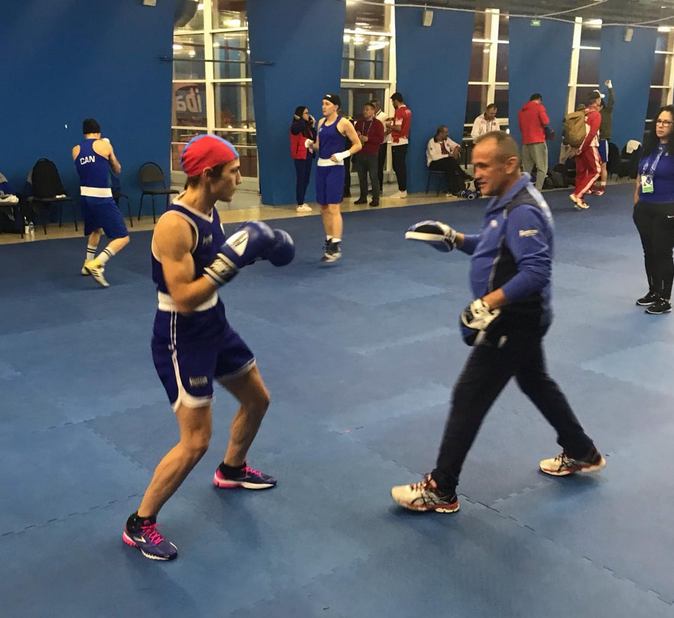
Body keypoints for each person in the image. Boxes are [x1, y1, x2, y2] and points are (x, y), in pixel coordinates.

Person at [391, 131, 606, 513]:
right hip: (520, 319)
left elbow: (536, 270)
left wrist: (485, 304)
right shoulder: (506, 202)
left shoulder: (523, 208)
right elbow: (495, 246)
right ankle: (581, 450)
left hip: (513, 322)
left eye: (483, 165)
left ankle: (441, 488)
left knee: (468, 396)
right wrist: (456, 238)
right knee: (536, 382)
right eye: (474, 165)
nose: (475, 173)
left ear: (510, 165)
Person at [123, 135, 295, 561]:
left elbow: (213, 263)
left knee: (258, 399)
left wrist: (252, 251)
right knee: (196, 440)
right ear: (208, 175)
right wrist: (231, 263)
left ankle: (232, 469)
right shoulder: (173, 225)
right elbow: (183, 295)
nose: (240, 177)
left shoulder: (211, 209)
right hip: (182, 334)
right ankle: (140, 523)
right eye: (233, 172)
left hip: (215, 323)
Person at [72, 118, 129, 288]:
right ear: (99, 131)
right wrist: (109, 150)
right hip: (101, 197)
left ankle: (86, 265)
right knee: (123, 237)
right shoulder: (105, 145)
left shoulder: (76, 149)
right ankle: (97, 263)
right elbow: (116, 169)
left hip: (84, 197)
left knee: (96, 229)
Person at [305, 93, 362, 263]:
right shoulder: (321, 123)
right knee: (322, 207)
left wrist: (342, 154)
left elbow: (358, 144)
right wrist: (310, 145)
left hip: (335, 169)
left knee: (333, 207)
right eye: (322, 103)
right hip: (321, 167)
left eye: (327, 104)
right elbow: (318, 146)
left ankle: (336, 245)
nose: (323, 106)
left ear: (335, 106)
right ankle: (329, 240)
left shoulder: (343, 123)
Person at [633, 105, 674, 315]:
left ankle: (665, 297)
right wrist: (637, 199)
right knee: (649, 251)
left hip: (666, 207)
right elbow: (641, 175)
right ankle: (654, 291)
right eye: (659, 121)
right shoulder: (649, 148)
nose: (661, 126)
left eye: (666, 122)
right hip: (645, 207)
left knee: (662, 252)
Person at [570, 92, 602, 210]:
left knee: (581, 173)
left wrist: (578, 148)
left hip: (579, 145)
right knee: (597, 170)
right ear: (597, 100)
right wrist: (583, 148)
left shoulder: (583, 113)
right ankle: (577, 194)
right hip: (589, 146)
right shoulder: (596, 115)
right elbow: (591, 133)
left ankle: (579, 200)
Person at [426, 125, 471, 197]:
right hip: (434, 163)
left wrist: (455, 151)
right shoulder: (431, 142)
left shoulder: (447, 140)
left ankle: (454, 190)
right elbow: (434, 157)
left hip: (446, 162)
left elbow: (457, 146)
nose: (448, 134)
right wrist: (448, 156)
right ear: (440, 133)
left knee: (450, 167)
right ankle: (463, 175)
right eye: (446, 132)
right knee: (450, 161)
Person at [518, 93, 550, 192]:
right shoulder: (539, 107)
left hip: (525, 141)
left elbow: (521, 127)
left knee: (526, 170)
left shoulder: (521, 111)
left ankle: (523, 190)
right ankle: (538, 190)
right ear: (539, 99)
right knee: (542, 168)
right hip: (538, 140)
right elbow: (546, 121)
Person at [354, 102, 385, 207]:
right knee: (361, 177)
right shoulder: (359, 123)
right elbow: (353, 134)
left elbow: (380, 139)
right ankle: (363, 196)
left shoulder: (378, 124)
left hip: (372, 153)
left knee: (373, 176)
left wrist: (368, 139)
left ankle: (375, 198)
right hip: (360, 153)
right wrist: (357, 134)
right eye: (364, 109)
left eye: (367, 109)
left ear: (373, 111)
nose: (365, 112)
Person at [290, 106, 315, 213]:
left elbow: (314, 138)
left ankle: (303, 200)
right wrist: (300, 119)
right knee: (301, 179)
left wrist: (312, 126)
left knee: (306, 179)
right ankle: (300, 203)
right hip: (300, 156)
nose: (308, 115)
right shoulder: (295, 126)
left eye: (308, 113)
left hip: (308, 155)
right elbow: (299, 127)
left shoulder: (307, 128)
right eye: (305, 113)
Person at [387, 92, 412, 198]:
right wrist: (392, 120)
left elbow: (398, 128)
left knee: (398, 166)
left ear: (395, 101)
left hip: (398, 142)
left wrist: (389, 125)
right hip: (404, 141)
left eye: (392, 101)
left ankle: (402, 190)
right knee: (400, 166)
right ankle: (402, 189)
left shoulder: (399, 112)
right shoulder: (407, 111)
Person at [594, 79, 615, 196]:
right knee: (593, 164)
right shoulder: (594, 113)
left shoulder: (607, 111)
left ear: (600, 105)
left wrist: (610, 87)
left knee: (603, 165)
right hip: (595, 141)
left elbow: (612, 101)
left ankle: (602, 187)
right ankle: (591, 185)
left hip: (603, 141)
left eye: (597, 105)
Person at [371, 98, 389, 191]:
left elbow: (388, 130)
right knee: (373, 166)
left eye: (374, 106)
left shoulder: (384, 116)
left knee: (379, 166)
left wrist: (380, 134)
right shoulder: (371, 117)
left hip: (381, 143)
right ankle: (374, 187)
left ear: (378, 106)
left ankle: (379, 187)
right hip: (373, 144)